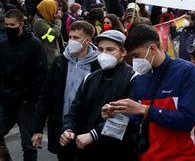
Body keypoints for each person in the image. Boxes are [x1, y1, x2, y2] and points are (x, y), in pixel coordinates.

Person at [107, 23, 195, 160]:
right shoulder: (140, 78)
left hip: (181, 157)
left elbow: (187, 121)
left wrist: (145, 110)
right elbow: (135, 119)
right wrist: (114, 114)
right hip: (147, 155)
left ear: (152, 49)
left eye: (136, 55)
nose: (134, 61)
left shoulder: (186, 71)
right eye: (131, 58)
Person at [60, 30, 137, 160]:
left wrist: (93, 135)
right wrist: (68, 130)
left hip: (117, 153)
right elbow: (74, 112)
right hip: (85, 152)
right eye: (100, 49)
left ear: (123, 52)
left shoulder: (133, 79)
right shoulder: (90, 78)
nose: (103, 54)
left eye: (110, 49)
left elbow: (127, 119)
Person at [31, 21, 99, 160]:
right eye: (70, 37)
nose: (71, 41)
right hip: (62, 129)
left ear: (88, 40)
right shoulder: (59, 63)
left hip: (87, 132)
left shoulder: (98, 65)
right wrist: (37, 129)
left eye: (76, 38)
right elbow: (45, 97)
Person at [0, 9, 47, 161]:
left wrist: (30, 97)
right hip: (6, 99)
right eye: (6, 24)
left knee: (28, 145)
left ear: (21, 24)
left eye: (12, 24)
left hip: (26, 103)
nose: (8, 27)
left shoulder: (34, 45)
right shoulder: (4, 44)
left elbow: (40, 74)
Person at [32, 0, 63, 67]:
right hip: (47, 57)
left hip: (52, 53)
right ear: (48, 9)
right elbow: (55, 33)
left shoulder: (47, 19)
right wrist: (58, 20)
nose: (56, 11)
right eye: (54, 9)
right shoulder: (39, 22)